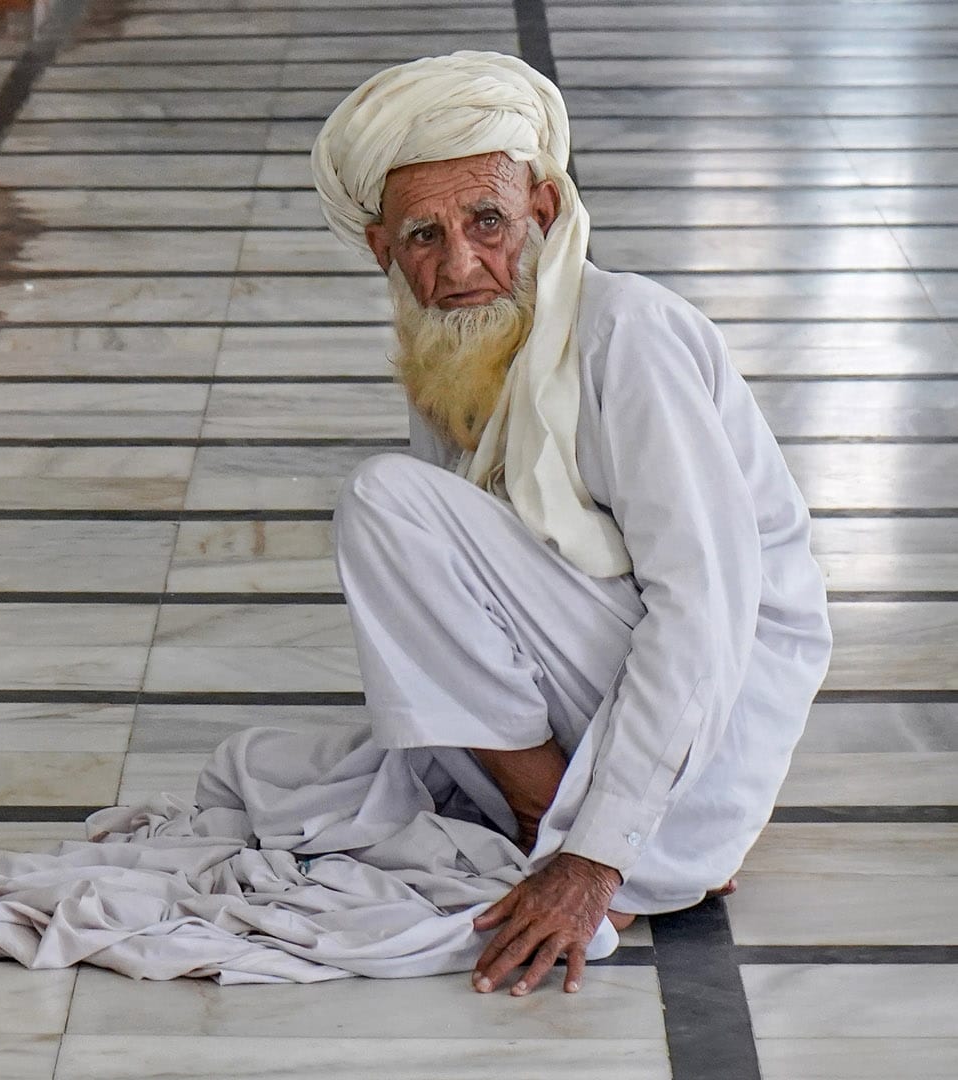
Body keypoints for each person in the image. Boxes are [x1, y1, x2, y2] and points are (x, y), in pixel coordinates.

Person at [313, 52, 833, 996]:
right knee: (278, 776)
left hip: (718, 696)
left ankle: (571, 825)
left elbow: (704, 611)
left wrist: (593, 860)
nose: (459, 265)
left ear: (543, 211)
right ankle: (586, 818)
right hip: (608, 674)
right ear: (381, 249)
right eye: (423, 235)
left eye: (487, 222)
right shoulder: (452, 341)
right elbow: (467, 589)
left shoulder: (626, 331)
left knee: (385, 499)